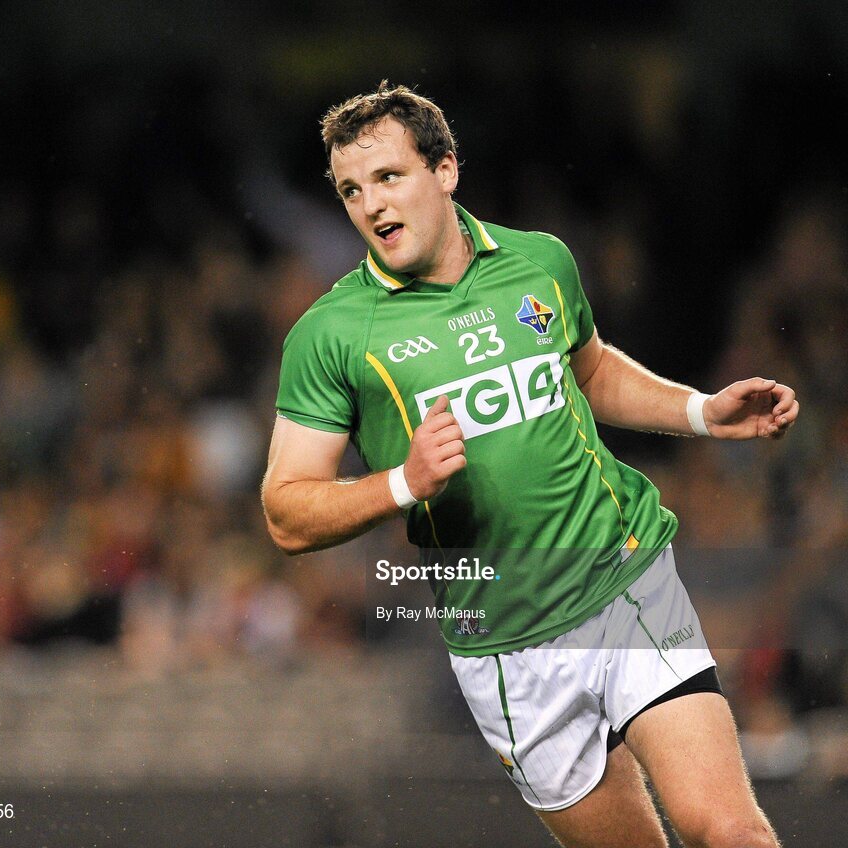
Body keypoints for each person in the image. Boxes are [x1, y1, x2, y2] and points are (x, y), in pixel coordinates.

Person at [262, 82, 798, 848]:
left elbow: (588, 369)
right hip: (504, 645)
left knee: (729, 832)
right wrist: (399, 484)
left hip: (620, 580)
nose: (371, 204)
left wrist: (697, 412)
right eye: (351, 189)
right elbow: (285, 511)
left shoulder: (538, 261)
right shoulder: (331, 334)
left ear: (444, 170)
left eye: (388, 177)